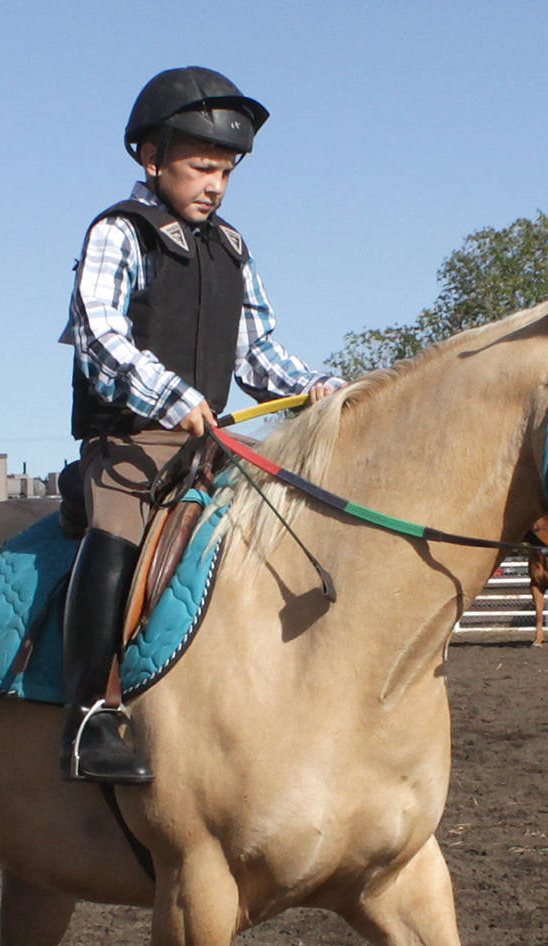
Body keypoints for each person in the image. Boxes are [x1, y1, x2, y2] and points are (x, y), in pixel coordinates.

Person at [59, 66, 344, 784]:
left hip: (212, 440)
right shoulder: (118, 233)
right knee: (119, 528)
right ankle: (89, 713)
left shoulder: (233, 248)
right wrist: (170, 393)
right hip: (130, 441)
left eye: (226, 171)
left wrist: (315, 387)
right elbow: (99, 333)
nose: (215, 184)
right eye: (201, 167)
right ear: (151, 159)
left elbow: (260, 350)